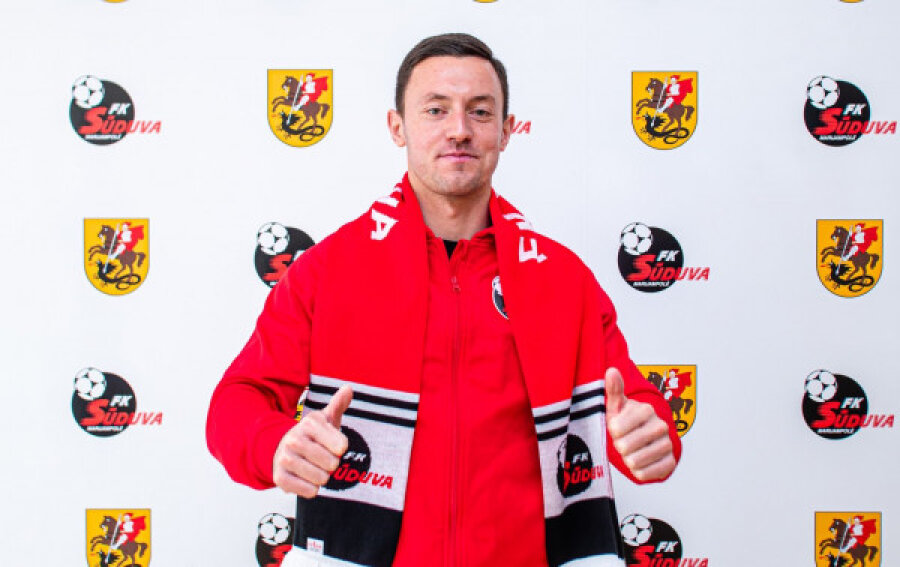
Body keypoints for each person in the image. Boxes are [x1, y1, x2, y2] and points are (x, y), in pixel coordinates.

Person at [206, 33, 681, 567]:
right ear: (398, 127)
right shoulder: (327, 271)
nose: (459, 129)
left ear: (506, 131)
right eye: (436, 110)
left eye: (480, 111)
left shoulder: (562, 279)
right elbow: (235, 402)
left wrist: (649, 436)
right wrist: (273, 445)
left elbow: (638, 411)